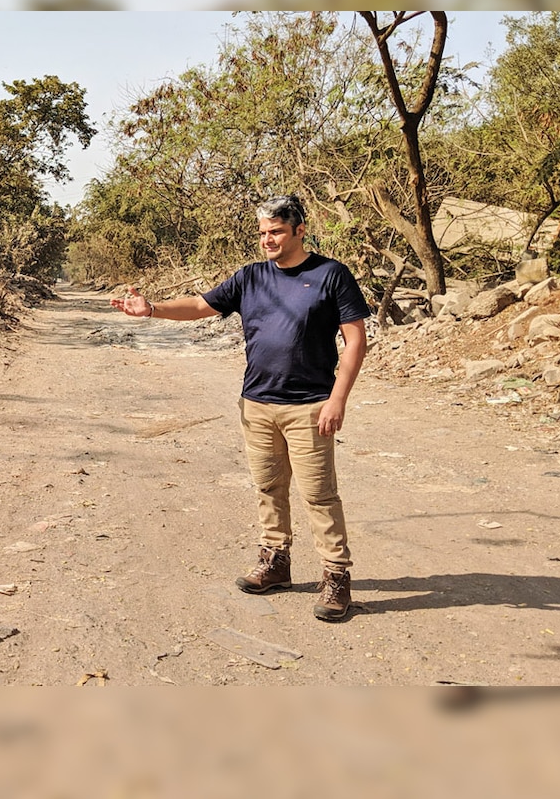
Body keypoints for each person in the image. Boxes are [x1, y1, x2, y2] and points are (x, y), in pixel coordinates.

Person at [111, 195, 370, 621]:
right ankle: (276, 562)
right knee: (268, 488)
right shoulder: (250, 277)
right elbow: (200, 306)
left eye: (277, 231)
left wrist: (337, 399)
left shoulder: (330, 275)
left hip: (309, 407)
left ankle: (336, 576)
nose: (268, 240)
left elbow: (355, 340)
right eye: (263, 233)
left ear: (299, 230)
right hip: (257, 404)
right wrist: (151, 309)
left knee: (319, 496)